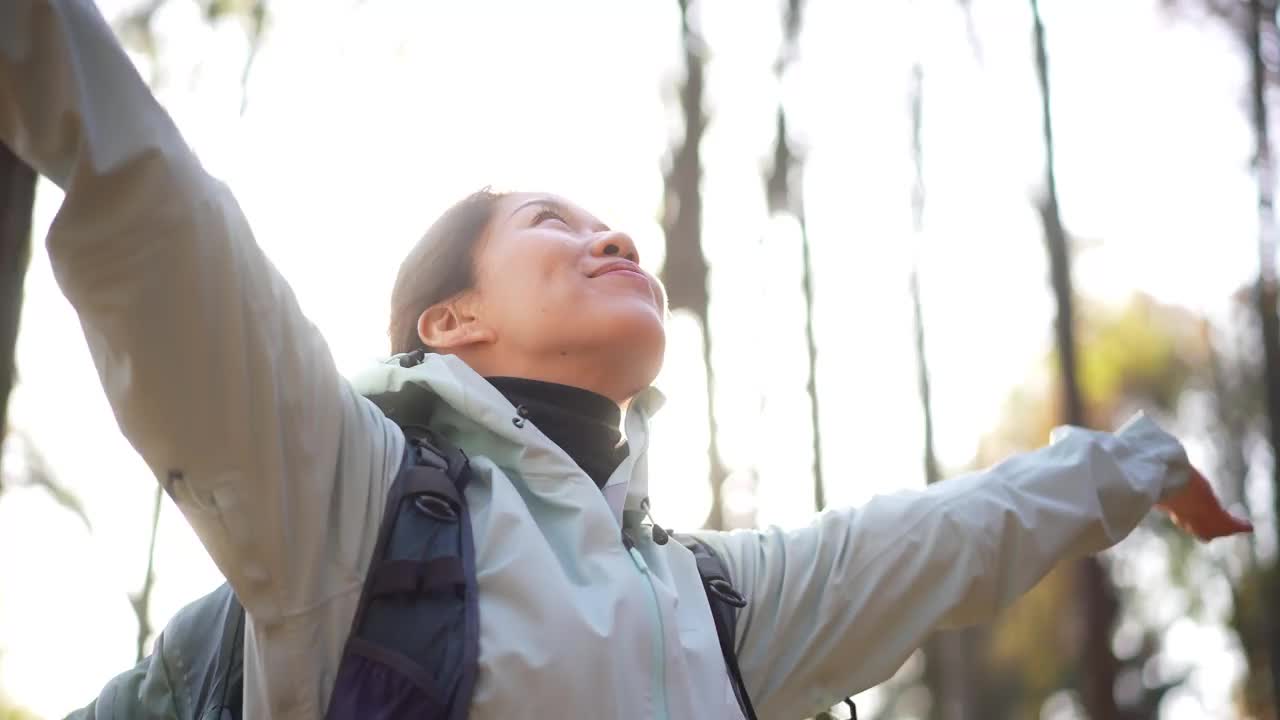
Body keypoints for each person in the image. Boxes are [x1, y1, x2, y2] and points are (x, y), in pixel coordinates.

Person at [0, 1, 1253, 719]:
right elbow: (156, 207)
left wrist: (1129, 463)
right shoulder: (345, 496)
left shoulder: (711, 599)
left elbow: (942, 536)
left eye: (608, 222)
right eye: (549, 221)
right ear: (446, 321)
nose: (611, 232)